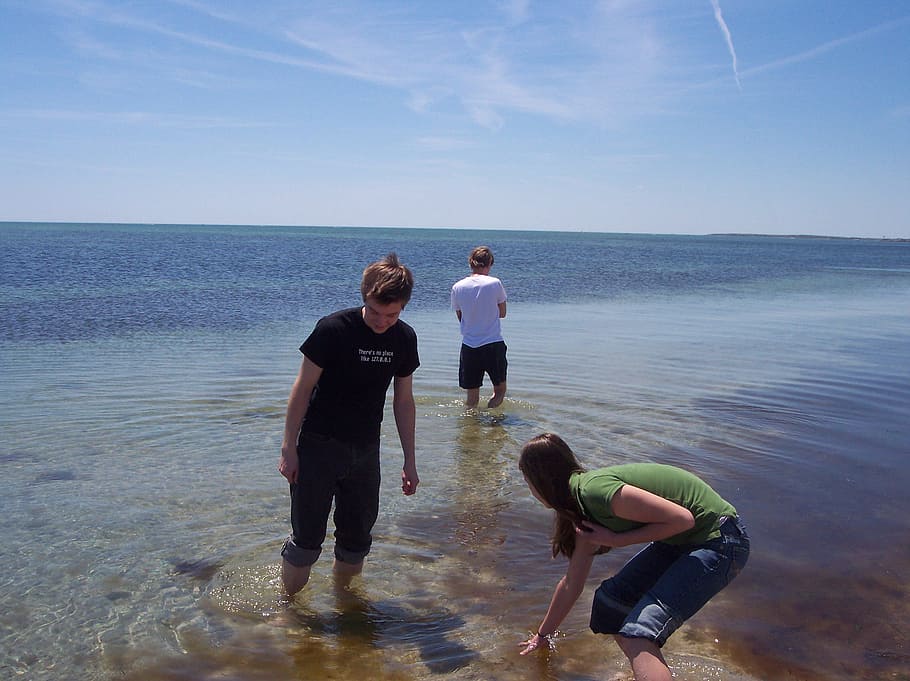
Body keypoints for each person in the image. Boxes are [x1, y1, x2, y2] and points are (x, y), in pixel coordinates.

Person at [517, 433, 749, 681]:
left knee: (639, 633)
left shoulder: (595, 490)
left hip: (720, 540)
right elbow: (571, 584)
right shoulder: (580, 509)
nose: (530, 489)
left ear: (540, 480)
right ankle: (647, 670)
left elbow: (683, 519)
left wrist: (617, 540)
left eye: (527, 480)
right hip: (682, 541)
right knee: (610, 605)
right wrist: (542, 635)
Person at [277, 253, 420, 596]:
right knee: (307, 540)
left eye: (392, 314)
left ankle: (346, 607)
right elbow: (302, 389)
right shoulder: (333, 329)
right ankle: (288, 611)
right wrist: (288, 447)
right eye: (375, 311)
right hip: (317, 447)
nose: (382, 321)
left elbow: (403, 401)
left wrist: (410, 460)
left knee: (356, 540)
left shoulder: (404, 338)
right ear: (364, 298)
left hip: (365, 451)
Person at [450, 246, 508, 409]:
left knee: (472, 398)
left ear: (471, 263)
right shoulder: (495, 283)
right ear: (490, 263)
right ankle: (492, 425)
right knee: (499, 392)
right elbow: (502, 313)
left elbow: (461, 317)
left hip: (469, 346)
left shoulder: (458, 287)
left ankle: (471, 427)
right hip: (492, 344)